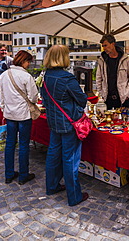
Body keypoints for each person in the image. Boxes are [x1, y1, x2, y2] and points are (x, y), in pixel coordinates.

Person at [41, 45, 88, 206]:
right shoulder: (67, 78)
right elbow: (82, 99)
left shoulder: (47, 76)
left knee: (53, 155)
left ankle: (52, 186)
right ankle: (74, 196)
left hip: (54, 122)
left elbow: (45, 99)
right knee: (70, 159)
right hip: (69, 123)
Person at [0, 50, 38, 184]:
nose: (29, 64)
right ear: (23, 61)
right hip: (23, 115)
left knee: (9, 144)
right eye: (28, 62)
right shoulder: (26, 77)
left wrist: (5, 110)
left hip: (10, 114)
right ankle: (23, 175)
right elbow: (33, 97)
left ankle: (9, 174)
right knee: (23, 145)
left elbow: (2, 97)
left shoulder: (4, 75)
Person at [96, 34, 129, 110]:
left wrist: (128, 95)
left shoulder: (127, 60)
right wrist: (101, 93)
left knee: (125, 121)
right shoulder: (102, 60)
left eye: (106, 45)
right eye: (103, 46)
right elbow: (98, 78)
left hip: (123, 98)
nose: (104, 48)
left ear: (113, 44)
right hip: (107, 98)